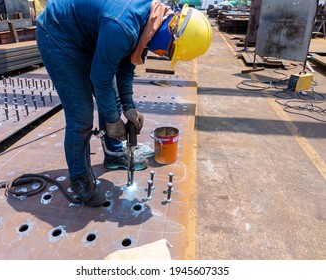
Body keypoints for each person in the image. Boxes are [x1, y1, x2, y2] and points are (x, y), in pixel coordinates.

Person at [36, 0, 212, 207]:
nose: (161, 55)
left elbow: (126, 68)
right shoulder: (123, 26)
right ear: (172, 33)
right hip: (58, 34)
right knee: (81, 114)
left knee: (112, 96)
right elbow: (100, 78)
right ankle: (78, 176)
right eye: (167, 52)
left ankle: (114, 154)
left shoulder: (150, 24)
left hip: (87, 34)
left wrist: (128, 107)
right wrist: (112, 119)